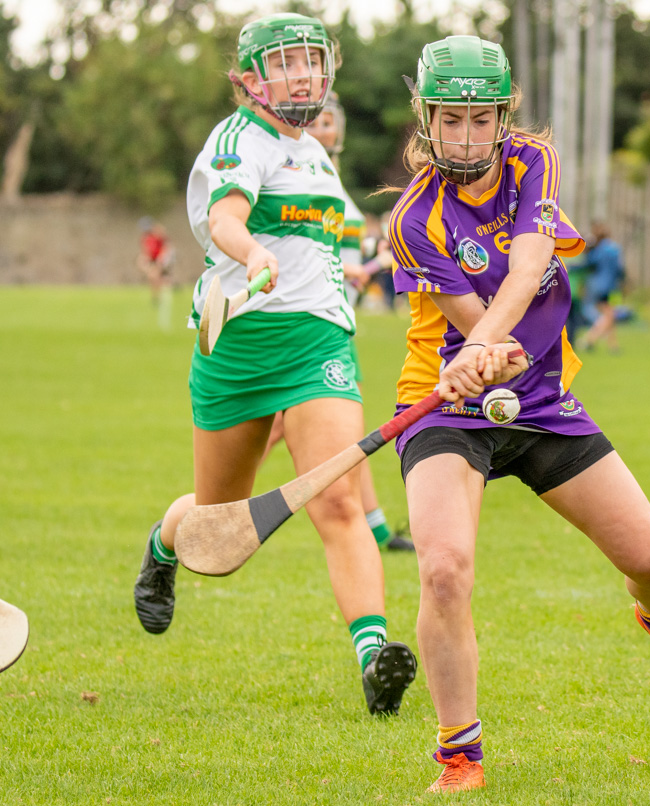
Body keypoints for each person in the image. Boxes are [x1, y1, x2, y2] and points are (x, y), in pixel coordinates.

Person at [385, 35, 650, 794]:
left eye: (482, 119)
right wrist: (478, 352)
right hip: (444, 406)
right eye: (452, 120)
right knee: (443, 570)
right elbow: (471, 314)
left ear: (503, 117)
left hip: (540, 399)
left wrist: (487, 343)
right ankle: (459, 753)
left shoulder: (532, 163)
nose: (467, 136)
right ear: (427, 120)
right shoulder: (414, 220)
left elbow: (534, 259)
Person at [133, 13, 417, 717]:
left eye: (314, 62)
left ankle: (373, 657)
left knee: (338, 498)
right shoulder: (240, 139)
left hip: (317, 341)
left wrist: (384, 257)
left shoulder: (316, 155)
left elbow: (342, 240)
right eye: (288, 63)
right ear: (251, 77)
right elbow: (228, 219)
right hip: (238, 347)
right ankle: (163, 546)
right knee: (220, 523)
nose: (305, 76)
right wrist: (252, 253)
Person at [259, 91, 415, 553]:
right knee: (279, 426)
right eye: (319, 120)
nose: (325, 128)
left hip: (335, 319)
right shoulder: (294, 175)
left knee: (346, 428)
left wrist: (372, 259)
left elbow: (338, 246)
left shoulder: (328, 175)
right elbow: (303, 248)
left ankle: (379, 528)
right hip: (309, 321)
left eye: (331, 121)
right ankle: (213, 510)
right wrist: (357, 269)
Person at [579, 221, 625, 352]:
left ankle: (591, 340)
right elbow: (620, 269)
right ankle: (606, 344)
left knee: (608, 315)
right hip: (614, 287)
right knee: (610, 315)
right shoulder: (615, 248)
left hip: (599, 285)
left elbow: (589, 263)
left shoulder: (598, 250)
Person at [136, 217, 175, 330]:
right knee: (151, 274)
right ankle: (156, 294)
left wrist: (160, 261)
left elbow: (166, 247)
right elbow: (146, 252)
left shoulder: (158, 234)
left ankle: (158, 294)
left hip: (163, 258)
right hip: (154, 260)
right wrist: (146, 262)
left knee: (155, 275)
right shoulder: (145, 238)